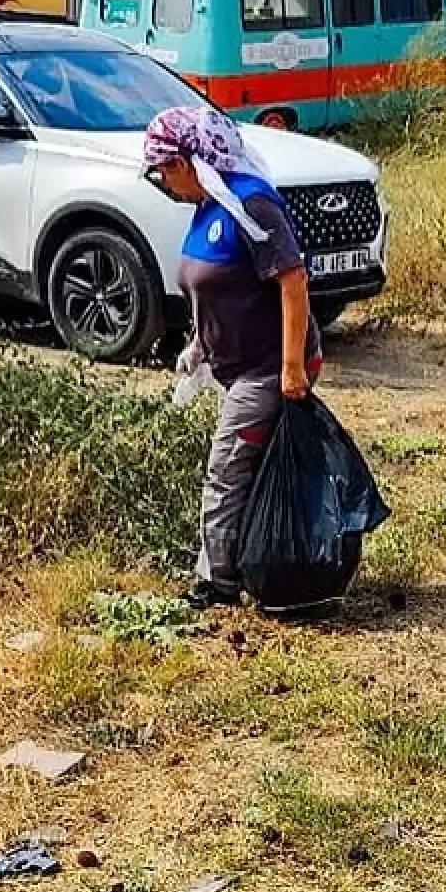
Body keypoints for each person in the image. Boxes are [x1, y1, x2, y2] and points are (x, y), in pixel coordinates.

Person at [142, 105, 321, 610]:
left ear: (191, 161)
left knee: (226, 467)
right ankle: (264, 562)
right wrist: (198, 347)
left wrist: (291, 367)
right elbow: (217, 289)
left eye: (165, 169)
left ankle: (217, 582)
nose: (163, 181)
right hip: (233, 364)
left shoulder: (252, 205)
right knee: (250, 468)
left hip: (268, 367)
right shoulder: (208, 206)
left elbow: (293, 281)